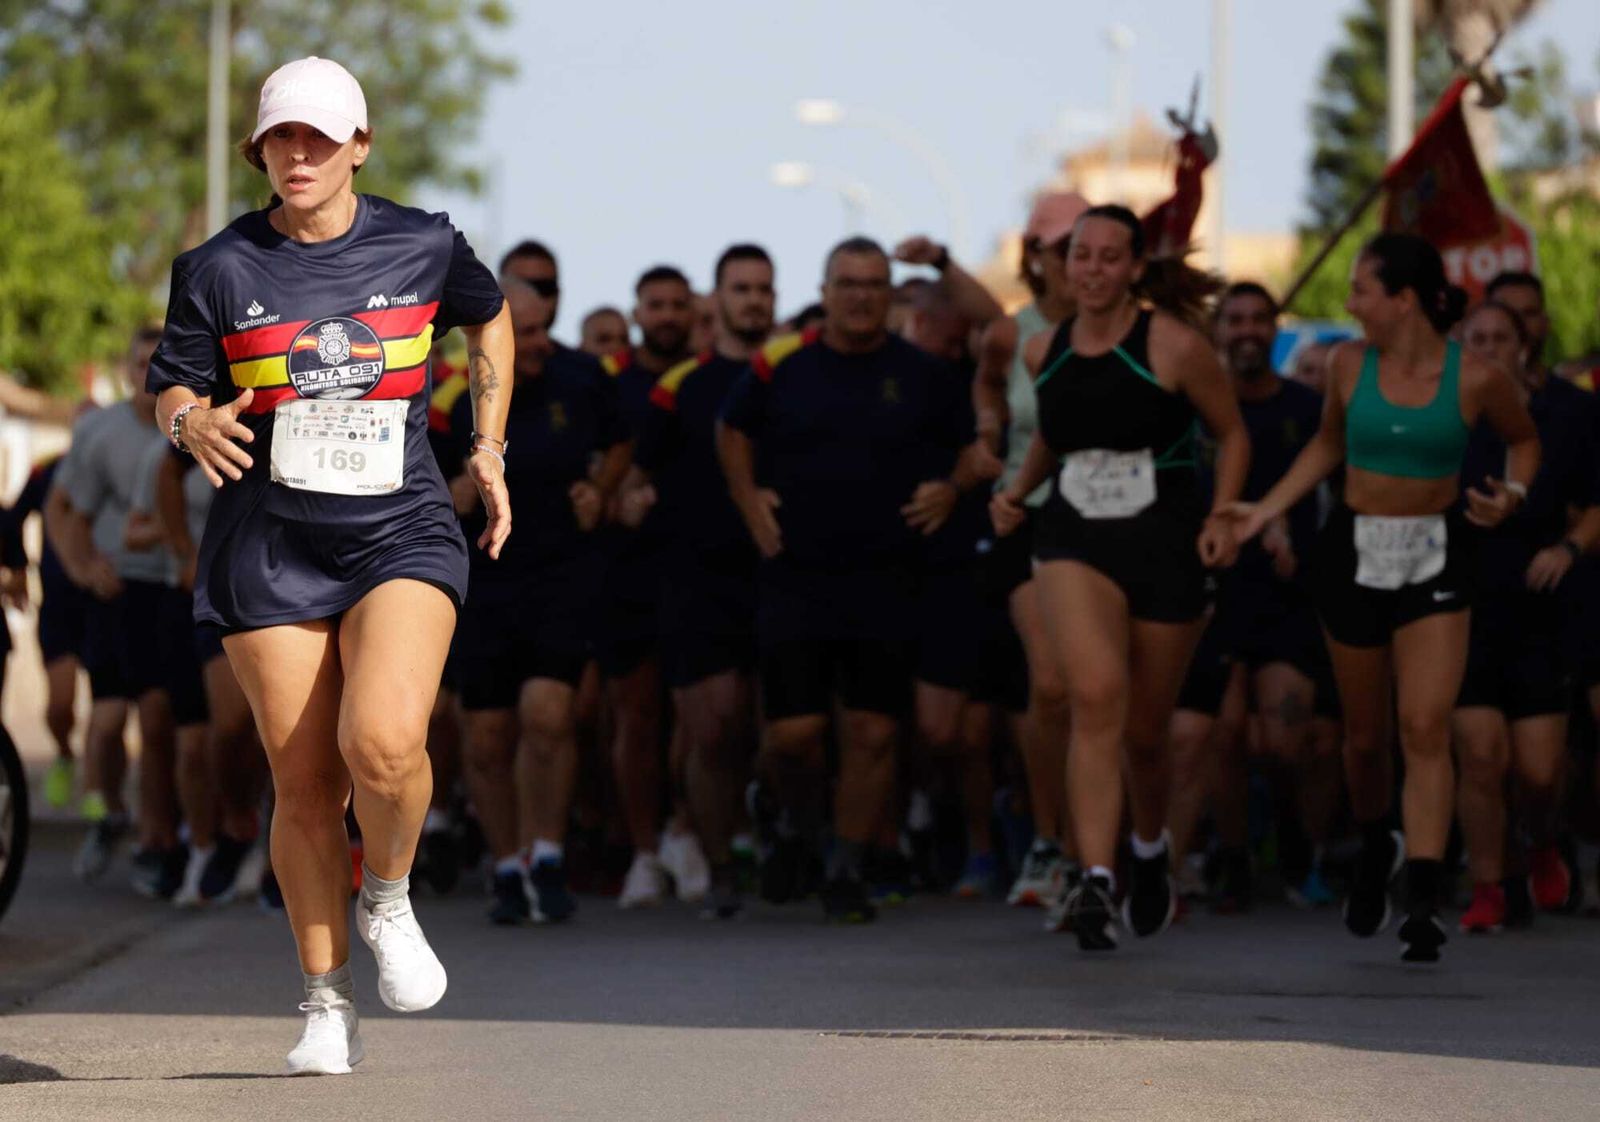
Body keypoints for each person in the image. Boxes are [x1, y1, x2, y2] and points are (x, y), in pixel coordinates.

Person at [147, 57, 511, 1074]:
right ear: (258, 150)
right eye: (279, 138)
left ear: (359, 145)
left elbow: (489, 316)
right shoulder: (218, 267)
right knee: (304, 782)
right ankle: (324, 1002)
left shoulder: (425, 242)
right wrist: (190, 423)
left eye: (318, 137)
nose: (297, 154)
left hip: (400, 527)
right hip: (270, 541)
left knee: (384, 742)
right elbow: (169, 385)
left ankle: (388, 894)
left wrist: (487, 443)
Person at [1229, 233, 1538, 963]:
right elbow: (1327, 448)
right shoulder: (1345, 364)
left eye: (1360, 290)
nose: (1348, 303)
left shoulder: (1476, 377)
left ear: (1402, 300)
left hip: (1437, 554)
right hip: (1355, 555)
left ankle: (1423, 896)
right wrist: (1264, 509)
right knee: (1365, 740)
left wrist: (1513, 495)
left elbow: (1524, 440)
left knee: (1425, 725)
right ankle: (1377, 841)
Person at [991, 204, 1248, 951]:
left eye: (1109, 257)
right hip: (1071, 535)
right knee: (1094, 694)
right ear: (1062, 265)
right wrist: (1016, 494)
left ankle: (1147, 848)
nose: (1093, 270)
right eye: (1081, 256)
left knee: (1144, 731)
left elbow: (1231, 433)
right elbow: (1053, 435)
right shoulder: (1042, 351)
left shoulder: (1172, 345)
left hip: (1164, 541)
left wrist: (1224, 514)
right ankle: (1095, 878)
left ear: (1135, 269)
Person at [718, 236, 980, 923]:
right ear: (826, 290)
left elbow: (978, 446)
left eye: (874, 284)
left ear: (889, 294)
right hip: (795, 574)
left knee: (872, 733)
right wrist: (750, 503)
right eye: (848, 283)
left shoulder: (923, 373)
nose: (861, 295)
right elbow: (731, 429)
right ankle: (794, 824)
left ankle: (846, 866)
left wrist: (952, 487)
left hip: (887, 577)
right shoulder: (784, 364)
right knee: (793, 738)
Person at [449, 279, 628, 926]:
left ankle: (547, 855)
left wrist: (602, 488)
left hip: (562, 573)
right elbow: (411, 475)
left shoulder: (584, 378)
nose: (537, 345)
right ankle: (506, 864)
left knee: (549, 714)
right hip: (484, 578)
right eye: (521, 334)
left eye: (541, 329)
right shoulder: (449, 395)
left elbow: (623, 438)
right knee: (491, 733)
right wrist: (452, 491)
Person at [1172, 282, 1337, 914]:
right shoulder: (1193, 412)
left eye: (1258, 319)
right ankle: (1234, 856)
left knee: (1285, 741)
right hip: (1211, 591)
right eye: (1234, 319)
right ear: (1217, 332)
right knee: (1224, 734)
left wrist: (1289, 530)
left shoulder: (1306, 407)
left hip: (1285, 594)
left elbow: (1330, 489)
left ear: (1275, 329)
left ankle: (1299, 843)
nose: (1246, 330)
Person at [624, 243, 775, 918]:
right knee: (711, 730)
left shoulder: (790, 373)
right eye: (741, 288)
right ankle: (717, 865)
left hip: (781, 576)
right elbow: (638, 471)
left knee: (774, 731)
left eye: (763, 289)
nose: (754, 300)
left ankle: (770, 835)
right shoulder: (681, 384)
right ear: (719, 301)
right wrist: (629, 501)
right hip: (695, 578)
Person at [1453, 298, 1600, 932]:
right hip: (1460, 607)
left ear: (1523, 347)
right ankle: (1489, 883)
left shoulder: (1563, 418)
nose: (1486, 346)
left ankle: (1542, 839)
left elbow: (1594, 502)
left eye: (1498, 337)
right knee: (1480, 756)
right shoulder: (1447, 416)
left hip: (1538, 610)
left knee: (1539, 772)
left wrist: (1567, 549)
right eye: (1474, 337)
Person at [974, 191, 1086, 912]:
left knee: (1103, 694)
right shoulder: (1012, 336)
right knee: (1051, 684)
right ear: (1035, 257)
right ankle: (1050, 839)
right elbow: (987, 390)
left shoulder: (1134, 331)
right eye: (1059, 247)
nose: (1072, 261)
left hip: (1113, 522)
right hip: (1029, 517)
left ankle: (1106, 846)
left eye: (1085, 246)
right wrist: (989, 433)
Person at [48, 328, 184, 897]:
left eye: (158, 364)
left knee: (158, 722)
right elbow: (63, 510)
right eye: (139, 363)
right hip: (115, 591)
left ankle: (158, 837)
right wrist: (81, 569)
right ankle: (106, 813)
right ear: (127, 369)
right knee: (105, 724)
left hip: (172, 589)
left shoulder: (188, 425)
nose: (146, 374)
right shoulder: (99, 432)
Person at [601, 264, 706, 908]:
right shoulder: (608, 382)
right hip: (624, 571)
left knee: (699, 720)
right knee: (636, 718)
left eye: (677, 305)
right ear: (637, 313)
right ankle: (643, 853)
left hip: (696, 569)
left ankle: (688, 832)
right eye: (655, 305)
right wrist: (613, 497)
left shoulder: (708, 380)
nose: (666, 315)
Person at [6, 453, 84, 811]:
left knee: (110, 712)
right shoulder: (50, 470)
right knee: (59, 705)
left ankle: (101, 794)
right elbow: (11, 518)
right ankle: (65, 753)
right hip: (59, 603)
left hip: (107, 600)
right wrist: (19, 567)